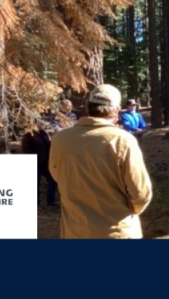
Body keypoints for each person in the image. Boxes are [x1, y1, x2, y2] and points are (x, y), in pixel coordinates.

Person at [48, 84, 153, 239]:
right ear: (116, 110)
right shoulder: (122, 140)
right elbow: (141, 193)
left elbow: (57, 175)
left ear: (88, 107)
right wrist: (125, 211)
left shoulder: (60, 139)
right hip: (116, 232)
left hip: (75, 231)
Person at [21, 121, 56, 206]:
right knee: (36, 184)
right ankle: (36, 202)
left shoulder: (44, 133)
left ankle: (51, 201)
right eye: (39, 123)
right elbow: (26, 150)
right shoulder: (28, 135)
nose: (42, 125)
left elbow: (49, 145)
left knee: (53, 180)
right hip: (35, 163)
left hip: (46, 163)